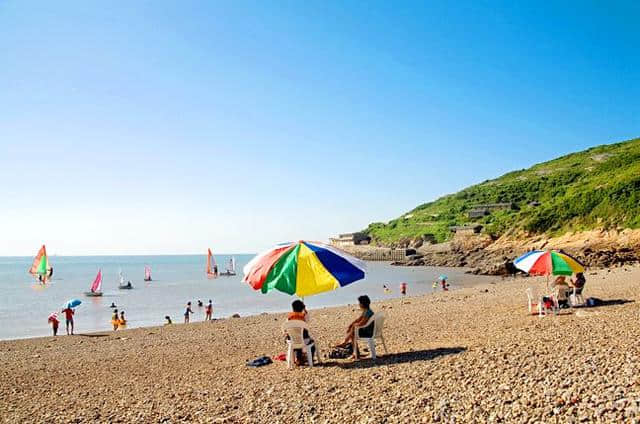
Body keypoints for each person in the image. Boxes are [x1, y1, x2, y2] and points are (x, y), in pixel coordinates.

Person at [285, 300, 315, 365]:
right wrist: (305, 309)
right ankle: (310, 360)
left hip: (292, 340)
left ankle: (299, 358)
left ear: (292, 308)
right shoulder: (304, 316)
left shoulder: (289, 317)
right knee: (312, 345)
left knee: (295, 341)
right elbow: (308, 321)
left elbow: (286, 328)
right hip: (304, 339)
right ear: (302, 307)